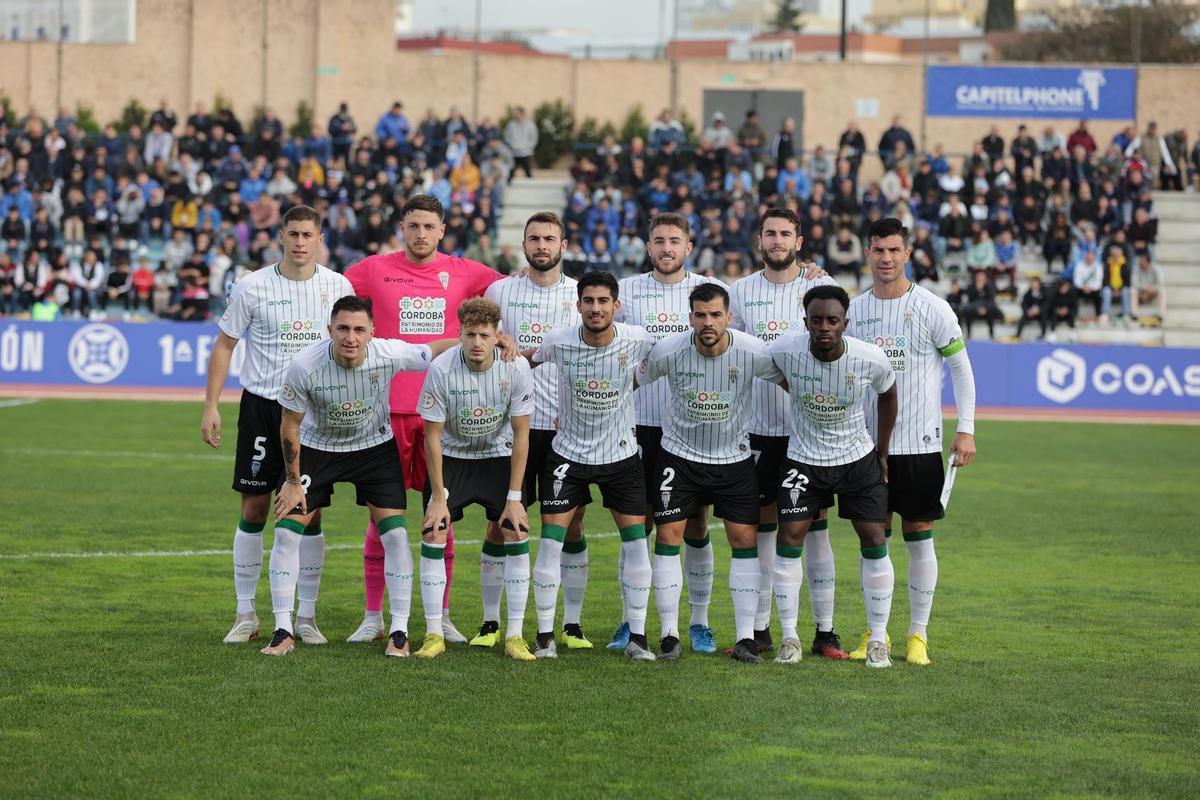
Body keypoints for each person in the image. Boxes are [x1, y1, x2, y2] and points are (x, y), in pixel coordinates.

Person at [344, 194, 502, 645]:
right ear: (402, 227)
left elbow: (514, 293)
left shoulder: (468, 272)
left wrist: (504, 336)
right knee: (382, 518)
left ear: (442, 229)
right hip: (387, 410)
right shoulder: (374, 269)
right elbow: (327, 294)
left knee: (442, 514)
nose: (420, 234)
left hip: (444, 414)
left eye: (429, 226)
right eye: (413, 226)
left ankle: (442, 614)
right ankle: (374, 616)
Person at [262, 296, 452, 657]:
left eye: (359, 329)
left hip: (373, 450)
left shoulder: (389, 353)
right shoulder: (304, 365)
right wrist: (291, 479)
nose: (351, 337)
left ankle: (398, 632)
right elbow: (290, 423)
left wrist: (482, 340)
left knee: (395, 535)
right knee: (287, 532)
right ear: (329, 330)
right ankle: (282, 629)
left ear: (372, 333)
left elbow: (431, 349)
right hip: (318, 450)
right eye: (343, 328)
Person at [202, 205, 354, 645]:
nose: (301, 242)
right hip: (262, 408)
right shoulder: (252, 287)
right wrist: (211, 405)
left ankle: (305, 616)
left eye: (309, 234)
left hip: (316, 412)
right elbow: (224, 346)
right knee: (254, 508)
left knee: (310, 512)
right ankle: (245, 613)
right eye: (293, 234)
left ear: (320, 239)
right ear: (281, 237)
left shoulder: (337, 286)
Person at [848, 217, 977, 666]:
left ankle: (917, 635)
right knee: (873, 538)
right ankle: (876, 632)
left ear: (908, 253)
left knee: (919, 535)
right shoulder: (855, 311)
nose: (886, 258)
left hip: (920, 443)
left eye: (894, 250)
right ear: (868, 253)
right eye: (878, 250)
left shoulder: (933, 307)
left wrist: (967, 428)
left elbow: (961, 369)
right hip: (867, 448)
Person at [636, 282, 786, 663]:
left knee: (743, 540)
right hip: (679, 457)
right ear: (690, 318)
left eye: (715, 314)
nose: (708, 322)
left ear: (728, 317)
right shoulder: (668, 350)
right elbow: (630, 382)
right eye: (700, 315)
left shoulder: (752, 351)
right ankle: (669, 635)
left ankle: (746, 638)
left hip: (733, 460)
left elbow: (792, 382)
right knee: (669, 536)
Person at [729, 208, 847, 659]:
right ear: (760, 239)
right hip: (756, 431)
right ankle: (759, 630)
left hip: (809, 435)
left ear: (799, 241)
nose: (777, 240)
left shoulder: (820, 287)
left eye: (785, 234)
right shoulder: (739, 291)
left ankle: (825, 631)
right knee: (760, 531)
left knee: (814, 530)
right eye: (770, 233)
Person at [524, 271, 657, 660]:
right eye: (588, 301)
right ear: (577, 304)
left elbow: (672, 358)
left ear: (616, 306)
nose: (596, 308)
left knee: (636, 547)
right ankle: (545, 637)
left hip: (621, 457)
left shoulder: (639, 339)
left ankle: (638, 637)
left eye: (603, 301)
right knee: (550, 543)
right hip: (568, 456)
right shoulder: (557, 342)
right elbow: (521, 364)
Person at [768, 284, 898, 668]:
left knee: (874, 537)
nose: (824, 327)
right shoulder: (785, 351)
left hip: (857, 457)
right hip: (804, 459)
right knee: (790, 537)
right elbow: (759, 366)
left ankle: (878, 639)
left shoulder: (868, 357)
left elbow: (889, 392)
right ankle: (789, 637)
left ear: (845, 323)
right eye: (816, 320)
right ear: (805, 322)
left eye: (832, 320)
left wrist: (883, 449)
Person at [609, 213, 718, 654]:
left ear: (689, 246)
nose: (666, 248)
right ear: (647, 245)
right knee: (638, 526)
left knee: (694, 523)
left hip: (689, 429)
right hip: (633, 425)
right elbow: (576, 305)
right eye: (659, 241)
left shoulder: (710, 291)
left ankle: (700, 622)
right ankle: (627, 620)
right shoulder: (627, 291)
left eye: (675, 240)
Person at [483, 211, 592, 650]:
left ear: (564, 245)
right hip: (512, 428)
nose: (542, 245)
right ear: (523, 245)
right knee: (501, 522)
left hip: (568, 430)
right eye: (534, 238)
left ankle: (571, 623)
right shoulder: (500, 291)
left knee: (571, 524)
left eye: (550, 238)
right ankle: (492, 622)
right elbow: (480, 338)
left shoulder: (580, 296)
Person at [418, 299, 536, 661]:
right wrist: (438, 496)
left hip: (497, 456)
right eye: (470, 334)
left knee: (515, 529)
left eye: (485, 335)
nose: (477, 343)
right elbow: (431, 437)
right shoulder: (440, 370)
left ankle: (512, 634)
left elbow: (521, 436)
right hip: (452, 457)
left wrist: (514, 496)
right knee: (434, 530)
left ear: (497, 335)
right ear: (459, 333)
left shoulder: (515, 369)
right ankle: (433, 633)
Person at [504, 107, 538, 183]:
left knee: (528, 173)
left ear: (522, 114)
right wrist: (511, 146)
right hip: (514, 153)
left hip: (526, 153)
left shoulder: (530, 125)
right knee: (511, 173)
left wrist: (529, 148)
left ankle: (532, 189)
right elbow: (507, 137)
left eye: (517, 113)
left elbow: (534, 138)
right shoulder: (511, 125)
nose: (516, 115)